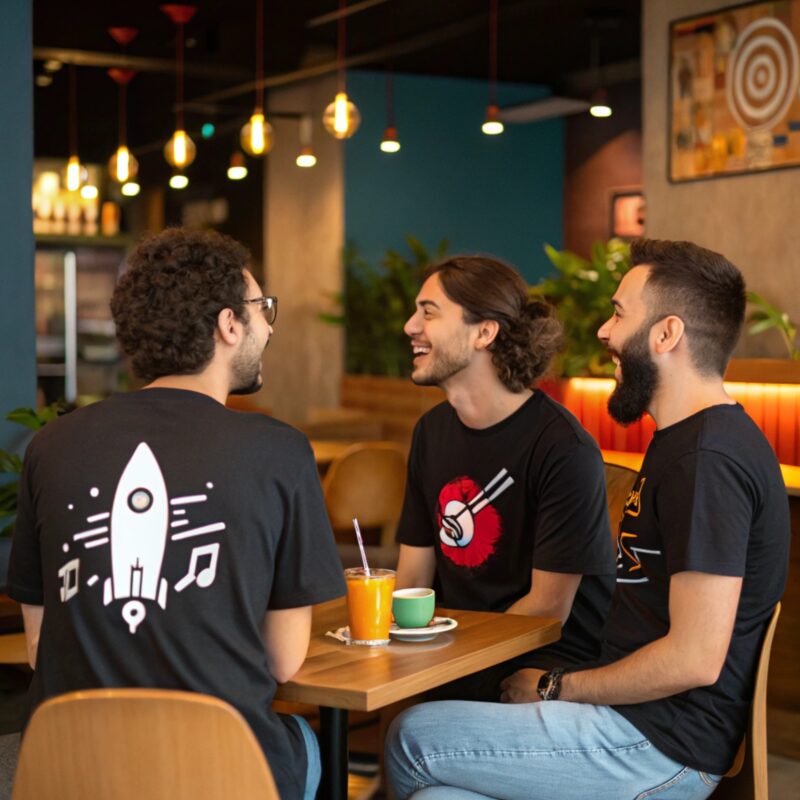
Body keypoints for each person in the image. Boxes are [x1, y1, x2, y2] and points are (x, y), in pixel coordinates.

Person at [386, 239, 790, 799]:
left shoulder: (707, 462)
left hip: (658, 744)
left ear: (666, 334)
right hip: (629, 724)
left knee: (413, 739)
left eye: (619, 314)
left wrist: (556, 686)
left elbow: (695, 658)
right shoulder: (685, 444)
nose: (603, 331)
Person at [8, 228, 345, 800]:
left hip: (67, 769)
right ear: (228, 324)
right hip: (219, 773)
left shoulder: (51, 445)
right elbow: (284, 662)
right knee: (309, 746)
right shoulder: (280, 450)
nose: (268, 325)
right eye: (261, 309)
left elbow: (42, 648)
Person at [394, 255, 615, 697]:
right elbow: (413, 579)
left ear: (484, 332)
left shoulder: (562, 448)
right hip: (455, 653)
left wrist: (444, 664)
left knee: (411, 731)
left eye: (429, 312)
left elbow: (547, 608)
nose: (410, 326)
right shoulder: (431, 432)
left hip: (538, 670)